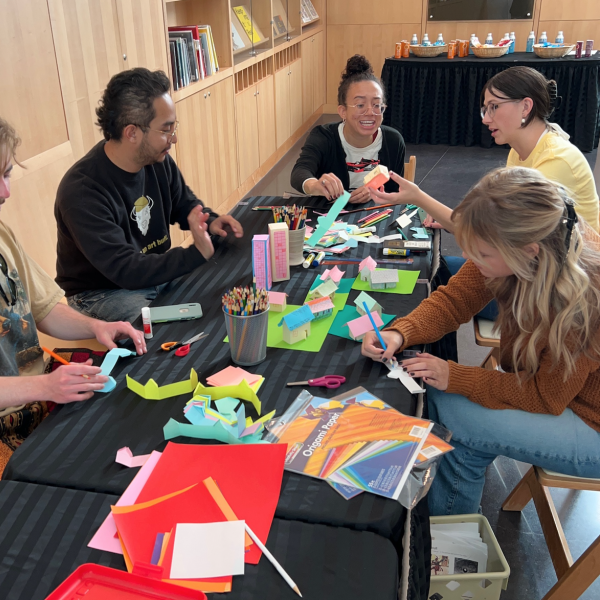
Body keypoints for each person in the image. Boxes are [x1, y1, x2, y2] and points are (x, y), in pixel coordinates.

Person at [361, 167, 600, 515]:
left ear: (529, 252)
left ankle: (448, 539)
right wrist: (401, 331)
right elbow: (454, 301)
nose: (475, 261)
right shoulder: (520, 247)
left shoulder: (583, 303)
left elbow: (544, 396)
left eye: (484, 255)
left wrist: (456, 376)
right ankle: (455, 527)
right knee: (459, 417)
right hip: (561, 396)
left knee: (453, 414)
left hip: (590, 420)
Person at [0, 118, 146, 472]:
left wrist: (97, 326)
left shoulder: (2, 235)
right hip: (12, 417)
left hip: (38, 390)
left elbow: (45, 309)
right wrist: (45, 386)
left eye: (6, 174)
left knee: (130, 415)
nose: (5, 192)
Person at [55, 68, 244, 324]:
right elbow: (126, 270)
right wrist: (195, 254)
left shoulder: (156, 158)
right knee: (161, 332)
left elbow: (182, 203)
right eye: (166, 129)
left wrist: (208, 220)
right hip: (102, 292)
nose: (173, 138)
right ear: (132, 132)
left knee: (219, 291)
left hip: (149, 272)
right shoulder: (81, 191)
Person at [369, 66, 599, 233]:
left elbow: (501, 238)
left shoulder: (555, 161)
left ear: (525, 107)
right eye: (485, 110)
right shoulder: (519, 153)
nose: (486, 119)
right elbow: (499, 228)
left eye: (494, 107)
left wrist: (419, 197)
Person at [290, 54, 405, 204]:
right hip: (330, 219)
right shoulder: (323, 137)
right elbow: (299, 172)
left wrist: (376, 193)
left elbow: (397, 194)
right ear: (342, 111)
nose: (370, 112)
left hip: (375, 218)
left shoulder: (393, 141)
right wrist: (315, 185)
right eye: (360, 105)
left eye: (377, 105)